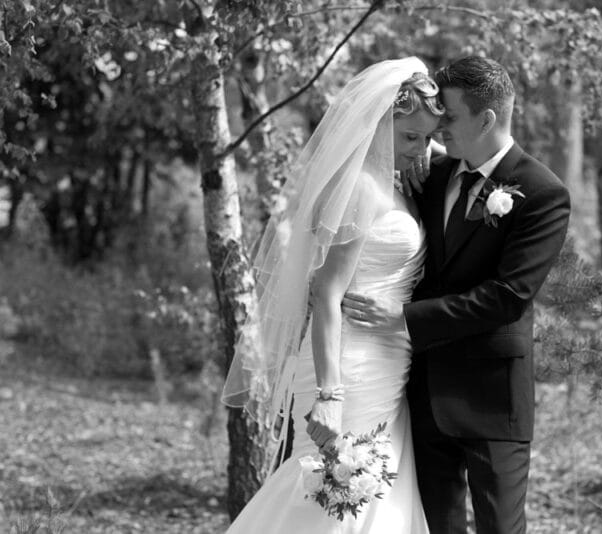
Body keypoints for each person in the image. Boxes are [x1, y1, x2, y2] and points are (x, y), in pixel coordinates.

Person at [342, 56, 571, 533]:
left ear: (485, 118)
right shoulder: (430, 174)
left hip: (492, 398)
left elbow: (508, 296)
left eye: (448, 116)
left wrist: (404, 317)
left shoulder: (543, 192)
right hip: (423, 392)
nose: (439, 127)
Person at [220, 57, 443, 533]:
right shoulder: (360, 188)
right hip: (348, 366)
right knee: (333, 494)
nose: (420, 148)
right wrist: (329, 394)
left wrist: (420, 146)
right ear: (379, 124)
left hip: (388, 364)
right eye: (409, 137)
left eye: (427, 138)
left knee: (373, 495)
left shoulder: (396, 181)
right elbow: (326, 296)